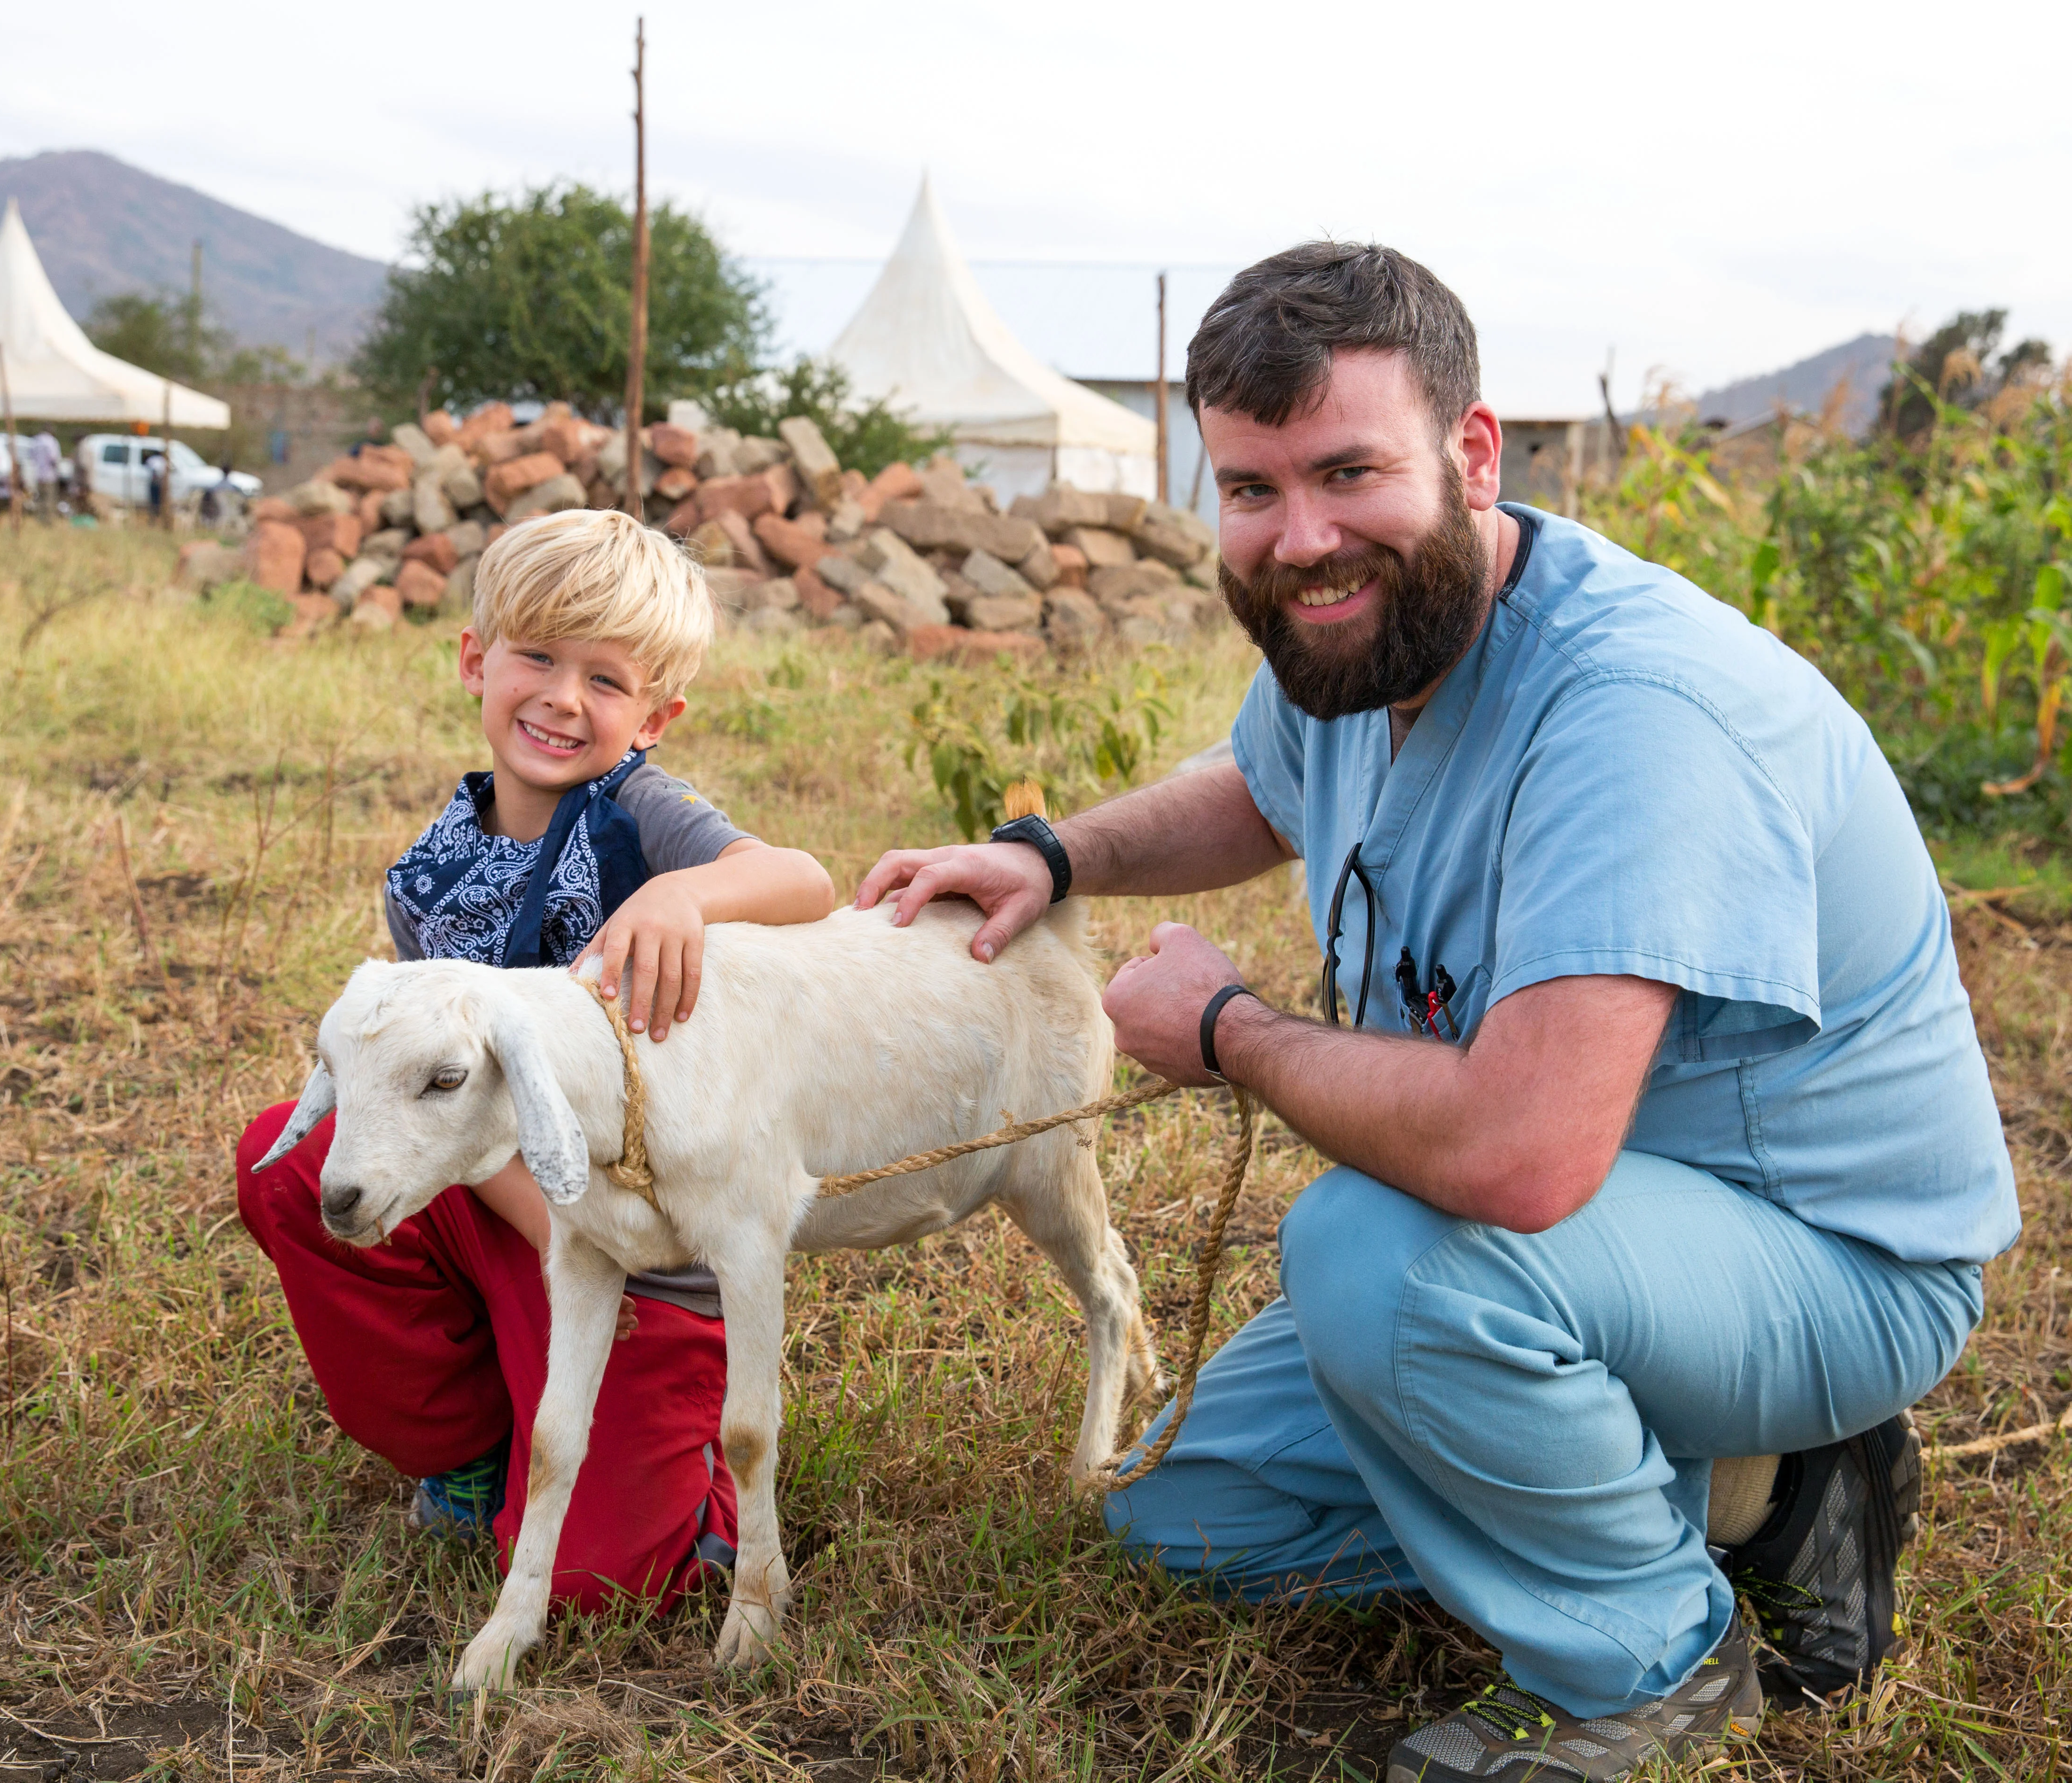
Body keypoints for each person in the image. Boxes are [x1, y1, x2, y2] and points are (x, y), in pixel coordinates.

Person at [856, 242, 2018, 1782]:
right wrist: (1054, 852)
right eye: (1254, 488)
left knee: (1374, 1250)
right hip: (1603, 1233)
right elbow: (1261, 788)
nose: (1299, 536)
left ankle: (1657, 1655)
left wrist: (1229, 1031)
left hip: (1818, 1246)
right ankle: (1735, 1491)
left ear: (1474, 456)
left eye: (1348, 471)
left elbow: (1519, 1163)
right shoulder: (1364, 642)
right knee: (1192, 1517)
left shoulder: (1633, 712)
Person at [238, 509, 836, 1617]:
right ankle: (472, 1443)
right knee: (294, 1161)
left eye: (606, 681)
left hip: (644, 1250)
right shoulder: (432, 872)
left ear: (655, 717)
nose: (565, 699)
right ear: (476, 660)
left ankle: (695, 1490)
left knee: (599, 1583)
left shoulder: (639, 818)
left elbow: (802, 881)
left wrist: (682, 892)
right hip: (514, 1212)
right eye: (538, 658)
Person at [27, 430, 62, 522]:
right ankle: (48, 521)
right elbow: (54, 458)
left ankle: (40, 519)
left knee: (40, 499)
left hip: (38, 475)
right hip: (49, 476)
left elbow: (31, 457)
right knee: (49, 499)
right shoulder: (52, 441)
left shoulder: (36, 441)